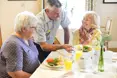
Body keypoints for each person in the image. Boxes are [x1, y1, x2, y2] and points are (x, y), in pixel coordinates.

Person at [0, 11, 40, 78]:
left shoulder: (28, 38)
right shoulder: (13, 44)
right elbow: (16, 74)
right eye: (34, 27)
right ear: (24, 29)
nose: (35, 30)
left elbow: (35, 57)